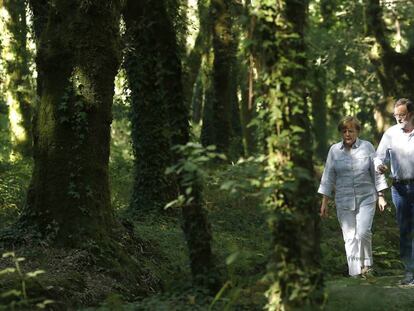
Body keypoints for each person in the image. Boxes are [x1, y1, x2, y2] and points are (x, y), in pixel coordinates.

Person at [318, 116, 388, 277]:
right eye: (344, 131)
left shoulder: (367, 147)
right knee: (349, 237)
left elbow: (376, 171)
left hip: (366, 197)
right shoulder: (334, 151)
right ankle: (354, 273)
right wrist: (324, 202)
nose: (347, 134)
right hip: (343, 199)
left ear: (357, 131)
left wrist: (381, 195)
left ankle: (367, 266)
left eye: (351, 130)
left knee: (363, 232)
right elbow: (328, 176)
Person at [374, 98, 414, 285]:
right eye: (396, 115)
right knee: (405, 230)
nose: (398, 118)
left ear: (411, 114)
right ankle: (409, 272)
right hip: (400, 188)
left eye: (402, 115)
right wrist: (380, 165)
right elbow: (378, 158)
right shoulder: (390, 134)